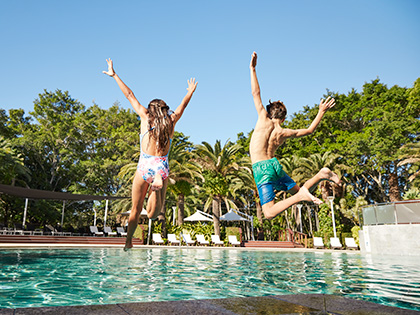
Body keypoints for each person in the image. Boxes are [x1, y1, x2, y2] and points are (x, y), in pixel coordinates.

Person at [103, 58, 197, 250]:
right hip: (161, 167)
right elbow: (182, 106)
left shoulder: (145, 118)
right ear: (164, 110)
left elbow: (129, 95)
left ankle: (128, 242)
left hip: (144, 165)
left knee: (136, 210)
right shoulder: (171, 121)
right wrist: (189, 92)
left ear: (151, 109)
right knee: (154, 214)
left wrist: (114, 75)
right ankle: (155, 187)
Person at [249, 51, 340, 220]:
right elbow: (310, 130)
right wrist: (321, 112)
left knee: (269, 213)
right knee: (302, 190)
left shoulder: (263, 117)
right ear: (283, 118)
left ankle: (300, 196)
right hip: (274, 165)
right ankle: (321, 175)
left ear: (269, 112)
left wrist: (252, 68)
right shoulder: (284, 132)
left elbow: (256, 93)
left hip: (261, 168)